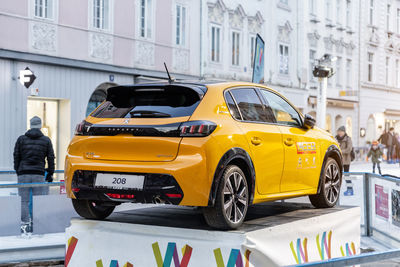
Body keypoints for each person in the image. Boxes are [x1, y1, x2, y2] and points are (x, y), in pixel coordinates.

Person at [13, 116, 55, 234]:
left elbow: (16, 156)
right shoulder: (46, 140)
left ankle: (25, 225)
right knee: (38, 200)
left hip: (23, 174)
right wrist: (50, 173)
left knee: (24, 201)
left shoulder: (21, 139)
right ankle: (38, 225)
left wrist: (18, 170)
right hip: (39, 174)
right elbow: (51, 157)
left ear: (30, 125)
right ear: (40, 126)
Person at [336, 126, 353, 196]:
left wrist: (340, 151)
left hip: (346, 160)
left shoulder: (348, 139)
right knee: (337, 175)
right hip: (338, 159)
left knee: (346, 175)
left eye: (341, 131)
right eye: (339, 131)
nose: (339, 133)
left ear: (344, 132)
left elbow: (349, 149)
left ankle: (350, 189)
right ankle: (336, 190)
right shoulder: (335, 138)